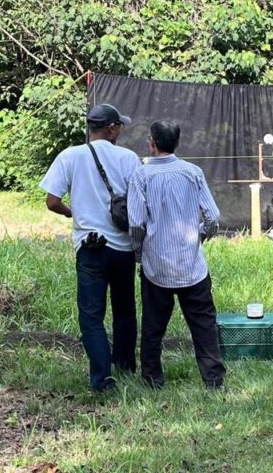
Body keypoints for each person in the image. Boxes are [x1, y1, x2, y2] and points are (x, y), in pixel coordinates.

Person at [41, 104, 141, 392]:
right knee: (125, 310)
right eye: (119, 126)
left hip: (90, 246)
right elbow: (139, 201)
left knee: (91, 316)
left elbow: (51, 201)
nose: (120, 130)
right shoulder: (129, 158)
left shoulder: (70, 156)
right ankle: (125, 366)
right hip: (122, 247)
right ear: (111, 128)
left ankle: (102, 378)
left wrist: (73, 213)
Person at [128, 121, 226, 389]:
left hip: (156, 266)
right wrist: (200, 236)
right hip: (192, 265)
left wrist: (139, 252)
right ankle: (214, 379)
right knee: (203, 323)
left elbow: (136, 223)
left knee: (153, 326)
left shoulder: (141, 176)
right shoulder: (193, 172)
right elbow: (213, 216)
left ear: (152, 142)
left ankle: (152, 379)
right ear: (177, 142)